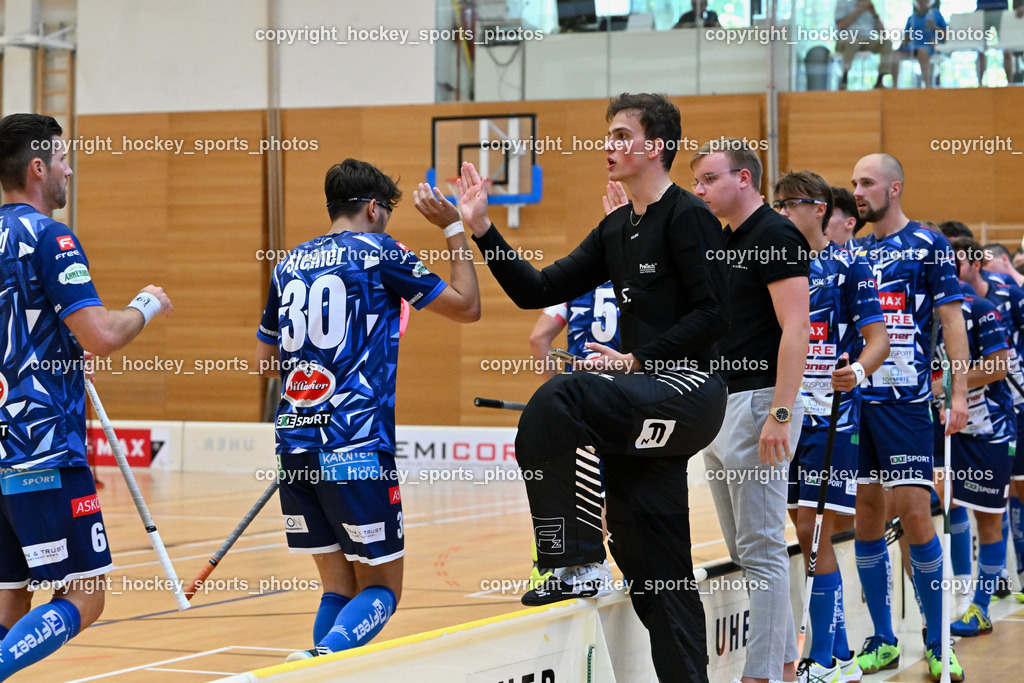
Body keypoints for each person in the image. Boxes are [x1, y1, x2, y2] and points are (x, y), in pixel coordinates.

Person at [460, 93, 730, 682]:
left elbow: (714, 314)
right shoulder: (616, 228)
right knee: (651, 563)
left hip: (691, 391)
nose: (608, 147)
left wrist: (636, 360)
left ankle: (574, 558)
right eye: (607, 136)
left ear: (654, 147)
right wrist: (481, 229)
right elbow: (535, 288)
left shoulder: (689, 216)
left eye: (620, 136)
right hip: (644, 401)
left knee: (563, 396)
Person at [255, 159, 480, 661]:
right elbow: (467, 305)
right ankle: (320, 661)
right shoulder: (382, 253)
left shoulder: (288, 262)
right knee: (382, 589)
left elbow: (266, 361)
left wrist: (318, 366)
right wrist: (452, 227)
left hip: (295, 441)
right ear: (374, 208)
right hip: (355, 445)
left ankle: (314, 667)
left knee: (338, 586)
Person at [0, 113, 173, 680]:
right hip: (43, 444)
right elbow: (101, 334)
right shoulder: (51, 237)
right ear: (37, 167)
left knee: (9, 600)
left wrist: (58, 354)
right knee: (85, 594)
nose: (69, 169)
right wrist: (145, 305)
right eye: (63, 158)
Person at [690, 140, 810, 683]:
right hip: (724, 403)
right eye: (696, 182)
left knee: (760, 550)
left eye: (709, 179)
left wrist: (780, 414)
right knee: (748, 548)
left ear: (744, 178)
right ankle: (785, 664)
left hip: (762, 401)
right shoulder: (724, 240)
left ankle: (758, 675)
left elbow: (796, 329)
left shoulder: (775, 235)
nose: (700, 190)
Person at [849, 153, 969, 682]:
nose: (857, 191)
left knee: (916, 514)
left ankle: (940, 641)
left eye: (867, 183)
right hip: (857, 404)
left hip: (904, 401)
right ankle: (882, 639)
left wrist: (958, 391)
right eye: (853, 183)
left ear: (894, 188)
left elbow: (951, 322)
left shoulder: (928, 245)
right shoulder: (852, 251)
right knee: (866, 517)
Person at [774, 171, 888, 683]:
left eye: (788, 204)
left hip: (831, 416)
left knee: (812, 532)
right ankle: (838, 652)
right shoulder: (772, 263)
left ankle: (826, 657)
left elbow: (878, 338)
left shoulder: (849, 266)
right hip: (782, 415)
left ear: (818, 207)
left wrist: (859, 370)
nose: (779, 213)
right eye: (774, 205)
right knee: (801, 529)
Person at [933, 238, 1014, 638]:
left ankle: (980, 608)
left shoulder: (979, 309)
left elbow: (999, 365)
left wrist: (947, 385)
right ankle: (953, 599)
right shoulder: (919, 308)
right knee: (946, 508)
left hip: (988, 430)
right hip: (940, 427)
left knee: (988, 519)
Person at [529, 280, 620, 381]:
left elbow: (538, 337)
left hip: (575, 386)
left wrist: (553, 386)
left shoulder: (572, 283)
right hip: (620, 385)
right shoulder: (632, 285)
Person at [835, 0, 894, 89]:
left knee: (887, 42)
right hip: (847, 39)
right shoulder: (843, 3)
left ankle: (880, 80)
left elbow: (882, 32)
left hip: (866, 40)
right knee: (853, 41)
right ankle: (844, 78)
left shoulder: (870, 8)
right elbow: (841, 25)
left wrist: (874, 14)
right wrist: (860, 10)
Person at [896, 0, 947, 88]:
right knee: (895, 54)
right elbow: (906, 38)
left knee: (921, 51)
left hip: (929, 46)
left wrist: (934, 26)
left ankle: (927, 85)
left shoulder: (936, 14)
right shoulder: (911, 18)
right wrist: (904, 41)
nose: (922, 2)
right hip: (912, 47)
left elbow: (946, 36)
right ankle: (894, 86)